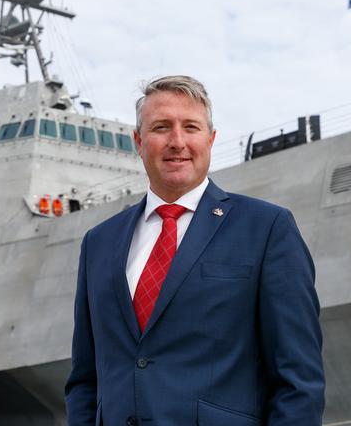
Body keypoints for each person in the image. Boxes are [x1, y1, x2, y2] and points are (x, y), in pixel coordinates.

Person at [65, 75, 325, 425]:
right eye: (161, 127)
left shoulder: (266, 229)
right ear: (139, 141)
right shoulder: (99, 242)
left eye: (191, 127)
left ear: (210, 139)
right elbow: (85, 378)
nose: (177, 141)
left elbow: (299, 381)